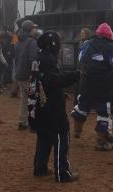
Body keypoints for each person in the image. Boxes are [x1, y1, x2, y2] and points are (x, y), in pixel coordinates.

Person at [31, 31, 80, 183]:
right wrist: (74, 75)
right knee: (61, 134)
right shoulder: (49, 59)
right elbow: (53, 81)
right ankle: (62, 173)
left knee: (44, 136)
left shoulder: (39, 57)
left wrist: (60, 92)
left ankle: (40, 168)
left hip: (40, 105)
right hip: (52, 107)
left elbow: (42, 82)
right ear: (53, 44)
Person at [71, 23, 113, 151]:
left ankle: (77, 130)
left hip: (87, 83)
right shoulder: (112, 47)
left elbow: (81, 58)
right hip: (104, 86)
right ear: (110, 35)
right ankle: (101, 142)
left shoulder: (87, 44)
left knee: (82, 107)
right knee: (104, 113)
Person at [14, 20, 39, 130]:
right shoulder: (32, 42)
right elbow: (33, 59)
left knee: (24, 99)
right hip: (28, 75)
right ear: (29, 29)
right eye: (33, 27)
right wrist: (33, 74)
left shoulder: (18, 42)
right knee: (33, 99)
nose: (35, 29)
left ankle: (22, 121)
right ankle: (33, 123)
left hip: (19, 74)